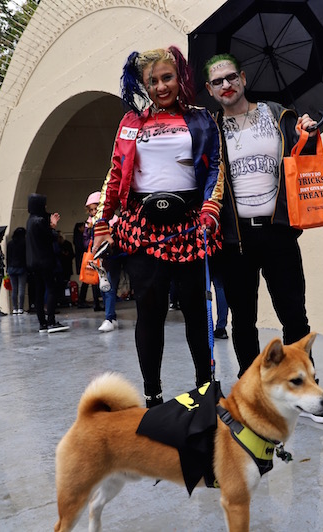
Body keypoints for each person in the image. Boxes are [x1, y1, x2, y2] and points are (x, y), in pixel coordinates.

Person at [203, 53, 323, 423]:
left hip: (278, 230)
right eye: (218, 82)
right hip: (235, 239)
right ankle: (254, 393)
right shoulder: (210, 128)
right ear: (210, 89)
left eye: (231, 77)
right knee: (243, 319)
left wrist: (309, 133)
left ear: (243, 78)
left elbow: (303, 158)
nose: (226, 85)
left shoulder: (278, 114)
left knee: (294, 314)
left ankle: (308, 393)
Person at [91, 46, 223, 407]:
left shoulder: (201, 119)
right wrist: (102, 220)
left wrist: (211, 207)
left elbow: (214, 168)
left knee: (197, 310)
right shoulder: (131, 122)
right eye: (153, 81)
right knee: (150, 314)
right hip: (143, 230)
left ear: (179, 77)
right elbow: (116, 172)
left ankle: (205, 389)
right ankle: (153, 395)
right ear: (143, 84)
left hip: (190, 228)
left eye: (167, 78)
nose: (162, 86)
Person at [26, 193, 69, 333]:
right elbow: (51, 237)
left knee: (39, 292)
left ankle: (42, 324)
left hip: (33, 262)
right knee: (51, 289)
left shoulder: (30, 220)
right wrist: (53, 226)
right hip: (44, 260)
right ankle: (51, 321)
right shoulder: (39, 221)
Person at [6, 227, 27, 314]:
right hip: (21, 267)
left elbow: (8, 257)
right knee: (21, 288)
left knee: (14, 289)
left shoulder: (10, 243)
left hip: (11, 268)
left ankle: (15, 308)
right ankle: (21, 308)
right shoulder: (24, 243)